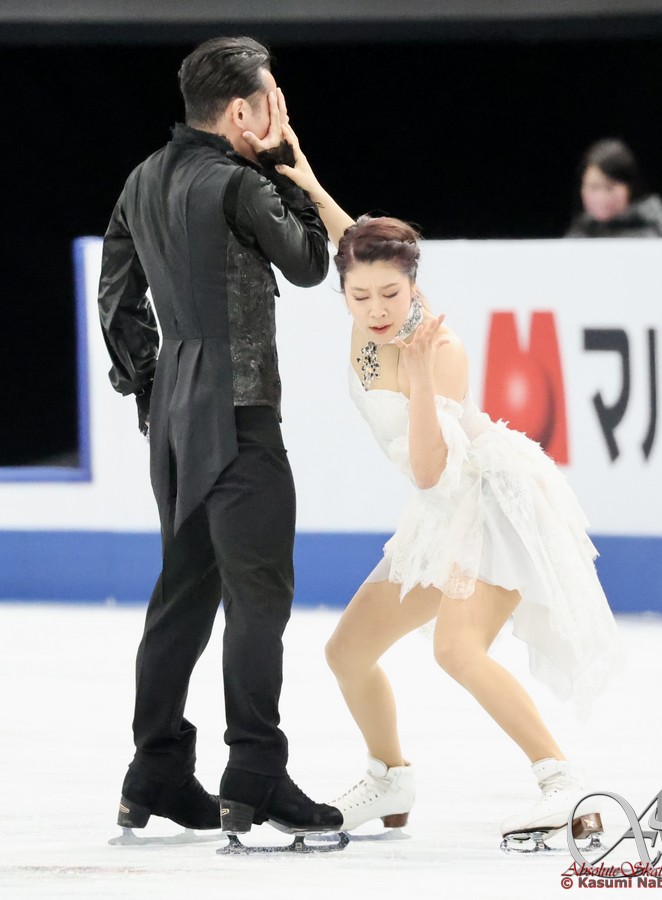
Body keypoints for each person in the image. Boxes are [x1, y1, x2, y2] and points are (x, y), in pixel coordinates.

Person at [273, 123, 623, 848]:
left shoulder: (439, 349)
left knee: (457, 650)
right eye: (360, 294)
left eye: (391, 293)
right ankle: (390, 778)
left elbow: (433, 471)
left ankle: (565, 786)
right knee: (346, 652)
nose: (376, 309)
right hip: (442, 511)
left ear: (413, 287)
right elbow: (350, 239)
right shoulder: (365, 293)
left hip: (489, 506)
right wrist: (306, 178)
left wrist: (424, 379)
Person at [98, 36, 342, 840]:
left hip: (176, 411)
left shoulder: (141, 179)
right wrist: (287, 169)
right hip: (239, 415)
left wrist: (151, 387)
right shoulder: (239, 184)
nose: (279, 112)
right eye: (272, 100)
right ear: (243, 111)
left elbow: (116, 300)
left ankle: (156, 767)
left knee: (184, 594)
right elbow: (309, 262)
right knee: (257, 598)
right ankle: (255, 771)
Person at [565, 138, 662, 238]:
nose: (601, 197)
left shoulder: (653, 234)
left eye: (610, 187)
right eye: (594, 187)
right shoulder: (580, 231)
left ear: (630, 188)